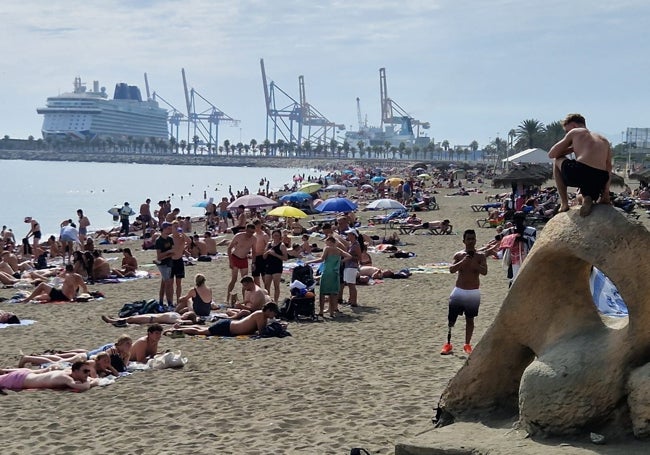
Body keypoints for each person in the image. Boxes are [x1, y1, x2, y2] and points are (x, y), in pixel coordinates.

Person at [548, 113, 612, 216]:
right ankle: (586, 198)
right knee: (582, 195)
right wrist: (606, 193)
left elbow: (552, 154)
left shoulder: (576, 132)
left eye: (567, 131)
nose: (567, 133)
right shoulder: (604, 140)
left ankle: (564, 203)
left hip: (580, 171)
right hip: (600, 177)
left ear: (573, 125)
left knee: (557, 160)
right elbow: (609, 167)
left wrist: (572, 147)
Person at [441, 229, 488, 356]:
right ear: (464, 241)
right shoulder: (459, 255)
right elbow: (451, 270)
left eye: (473, 238)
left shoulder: (480, 256)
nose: (471, 241)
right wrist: (463, 262)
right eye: (469, 239)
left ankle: (467, 344)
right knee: (451, 319)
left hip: (473, 292)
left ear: (476, 240)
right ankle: (448, 343)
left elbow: (484, 272)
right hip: (459, 290)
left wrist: (474, 264)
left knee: (470, 319)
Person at [164, 302, 279, 337]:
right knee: (201, 331)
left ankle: (180, 327)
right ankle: (178, 329)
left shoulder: (262, 316)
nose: (274, 315)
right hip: (227, 327)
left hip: (229, 326)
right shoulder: (260, 315)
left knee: (202, 329)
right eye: (273, 312)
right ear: (268, 310)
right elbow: (262, 332)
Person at [306, 236, 351, 317]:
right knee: (332, 293)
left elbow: (322, 259)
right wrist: (340, 261)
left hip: (327, 272)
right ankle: (331, 312)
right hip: (335, 273)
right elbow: (349, 256)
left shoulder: (327, 248)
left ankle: (321, 311)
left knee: (322, 292)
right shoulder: (338, 250)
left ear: (330, 242)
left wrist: (309, 262)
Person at [0, 361, 99, 392]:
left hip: (26, 375)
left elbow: (93, 380)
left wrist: (91, 380)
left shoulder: (70, 372)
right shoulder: (65, 378)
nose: (87, 374)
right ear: (76, 371)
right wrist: (90, 383)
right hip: (19, 380)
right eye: (85, 371)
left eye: (88, 371)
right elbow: (84, 387)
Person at [19, 263, 88, 302]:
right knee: (43, 296)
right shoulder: (78, 276)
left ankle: (27, 299)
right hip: (67, 296)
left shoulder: (67, 275)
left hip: (62, 296)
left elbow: (69, 285)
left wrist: (72, 298)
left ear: (66, 270)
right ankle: (32, 297)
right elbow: (84, 287)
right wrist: (83, 295)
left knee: (42, 285)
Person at [226, 223, 256, 303]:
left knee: (245, 280)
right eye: (249, 232)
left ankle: (244, 299)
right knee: (234, 279)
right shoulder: (238, 236)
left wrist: (253, 262)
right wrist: (230, 261)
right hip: (235, 257)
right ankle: (227, 297)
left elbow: (254, 252)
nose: (251, 234)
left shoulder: (253, 239)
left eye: (252, 232)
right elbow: (229, 248)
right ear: (246, 230)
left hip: (244, 259)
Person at [262, 229, 288, 303]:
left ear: (280, 236)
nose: (275, 237)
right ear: (272, 235)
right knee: (266, 286)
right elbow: (264, 257)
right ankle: (268, 301)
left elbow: (285, 258)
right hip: (268, 266)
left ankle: (275, 302)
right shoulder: (269, 244)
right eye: (274, 235)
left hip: (277, 267)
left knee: (276, 285)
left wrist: (275, 254)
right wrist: (267, 252)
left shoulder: (281, 245)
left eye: (277, 235)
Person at [155, 222, 175, 308]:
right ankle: (169, 302)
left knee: (164, 283)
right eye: (169, 229)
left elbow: (173, 252)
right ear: (164, 229)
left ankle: (161, 301)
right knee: (168, 283)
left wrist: (167, 254)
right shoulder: (159, 240)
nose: (170, 230)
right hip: (162, 264)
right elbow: (159, 256)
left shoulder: (170, 239)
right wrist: (167, 252)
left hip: (169, 262)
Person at [251, 219, 270, 287]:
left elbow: (269, 247)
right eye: (255, 227)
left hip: (263, 258)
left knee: (265, 278)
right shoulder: (253, 235)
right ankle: (259, 294)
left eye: (258, 226)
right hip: (255, 258)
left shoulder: (264, 235)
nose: (257, 228)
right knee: (255, 278)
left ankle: (267, 294)